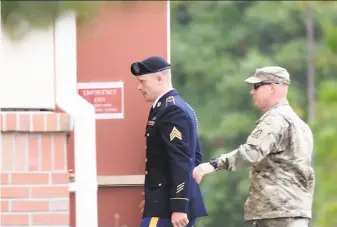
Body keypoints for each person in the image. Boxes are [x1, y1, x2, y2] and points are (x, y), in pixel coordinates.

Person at [193, 66, 315, 227]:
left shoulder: (275, 120)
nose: (252, 92)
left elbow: (251, 153)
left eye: (256, 86)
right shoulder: (301, 125)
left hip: (277, 215)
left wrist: (213, 165)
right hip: (295, 213)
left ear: (272, 88)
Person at [130, 56, 208, 227]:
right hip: (164, 203)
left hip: (169, 209)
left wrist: (179, 205)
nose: (139, 87)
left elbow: (182, 160)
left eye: (142, 82)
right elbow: (196, 155)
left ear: (159, 79)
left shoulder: (171, 109)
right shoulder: (168, 106)